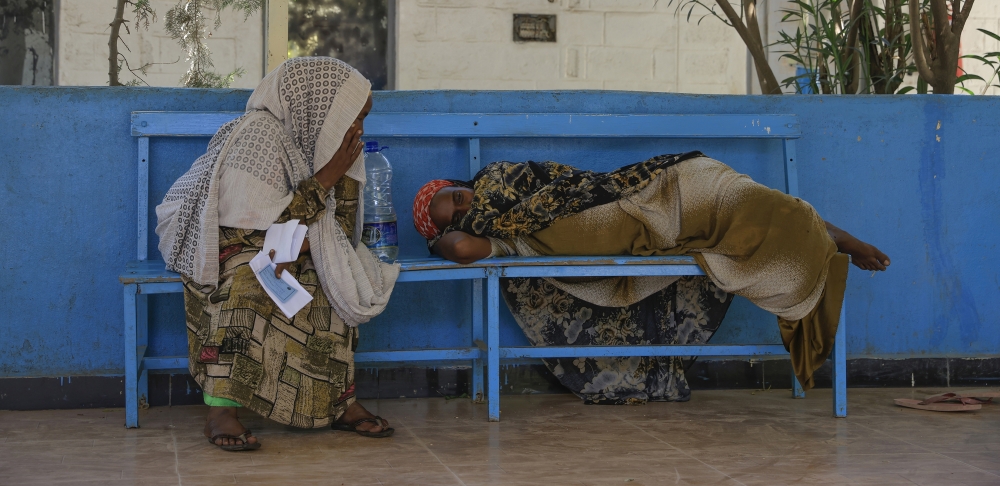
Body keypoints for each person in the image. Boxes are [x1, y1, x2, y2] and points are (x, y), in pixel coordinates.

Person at [412, 152, 889, 403]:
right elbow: (461, 250)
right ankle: (828, 242)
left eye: (456, 194)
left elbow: (571, 183)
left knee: (763, 209)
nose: (465, 206)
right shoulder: (508, 240)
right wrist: (439, 238)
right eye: (452, 215)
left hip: (658, 192)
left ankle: (837, 238)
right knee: (758, 234)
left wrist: (464, 212)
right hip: (662, 231)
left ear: (465, 182)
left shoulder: (505, 182)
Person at [155, 58, 400, 451]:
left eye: (364, 117)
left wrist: (312, 230)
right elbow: (244, 228)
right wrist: (327, 177)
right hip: (227, 244)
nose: (359, 128)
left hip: (297, 240)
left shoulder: (334, 145)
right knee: (248, 284)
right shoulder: (257, 136)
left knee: (331, 280)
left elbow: (341, 226)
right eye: (355, 115)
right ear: (323, 107)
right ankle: (222, 408)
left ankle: (339, 402)